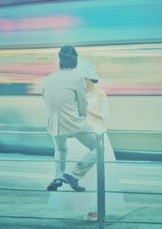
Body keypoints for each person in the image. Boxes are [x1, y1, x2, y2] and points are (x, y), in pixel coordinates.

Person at [48, 60, 125, 221]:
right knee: (80, 176)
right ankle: (84, 209)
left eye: (84, 79)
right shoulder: (77, 92)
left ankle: (96, 209)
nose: (82, 82)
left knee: (97, 176)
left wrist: (86, 109)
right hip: (79, 136)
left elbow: (106, 117)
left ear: (90, 79)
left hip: (96, 135)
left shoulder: (100, 94)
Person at [42, 45, 97, 192]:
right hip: (73, 121)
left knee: (60, 149)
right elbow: (83, 104)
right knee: (98, 148)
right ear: (75, 62)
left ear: (60, 60)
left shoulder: (47, 79)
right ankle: (74, 175)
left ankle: (58, 176)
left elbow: (46, 101)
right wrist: (81, 121)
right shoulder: (78, 78)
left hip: (53, 123)